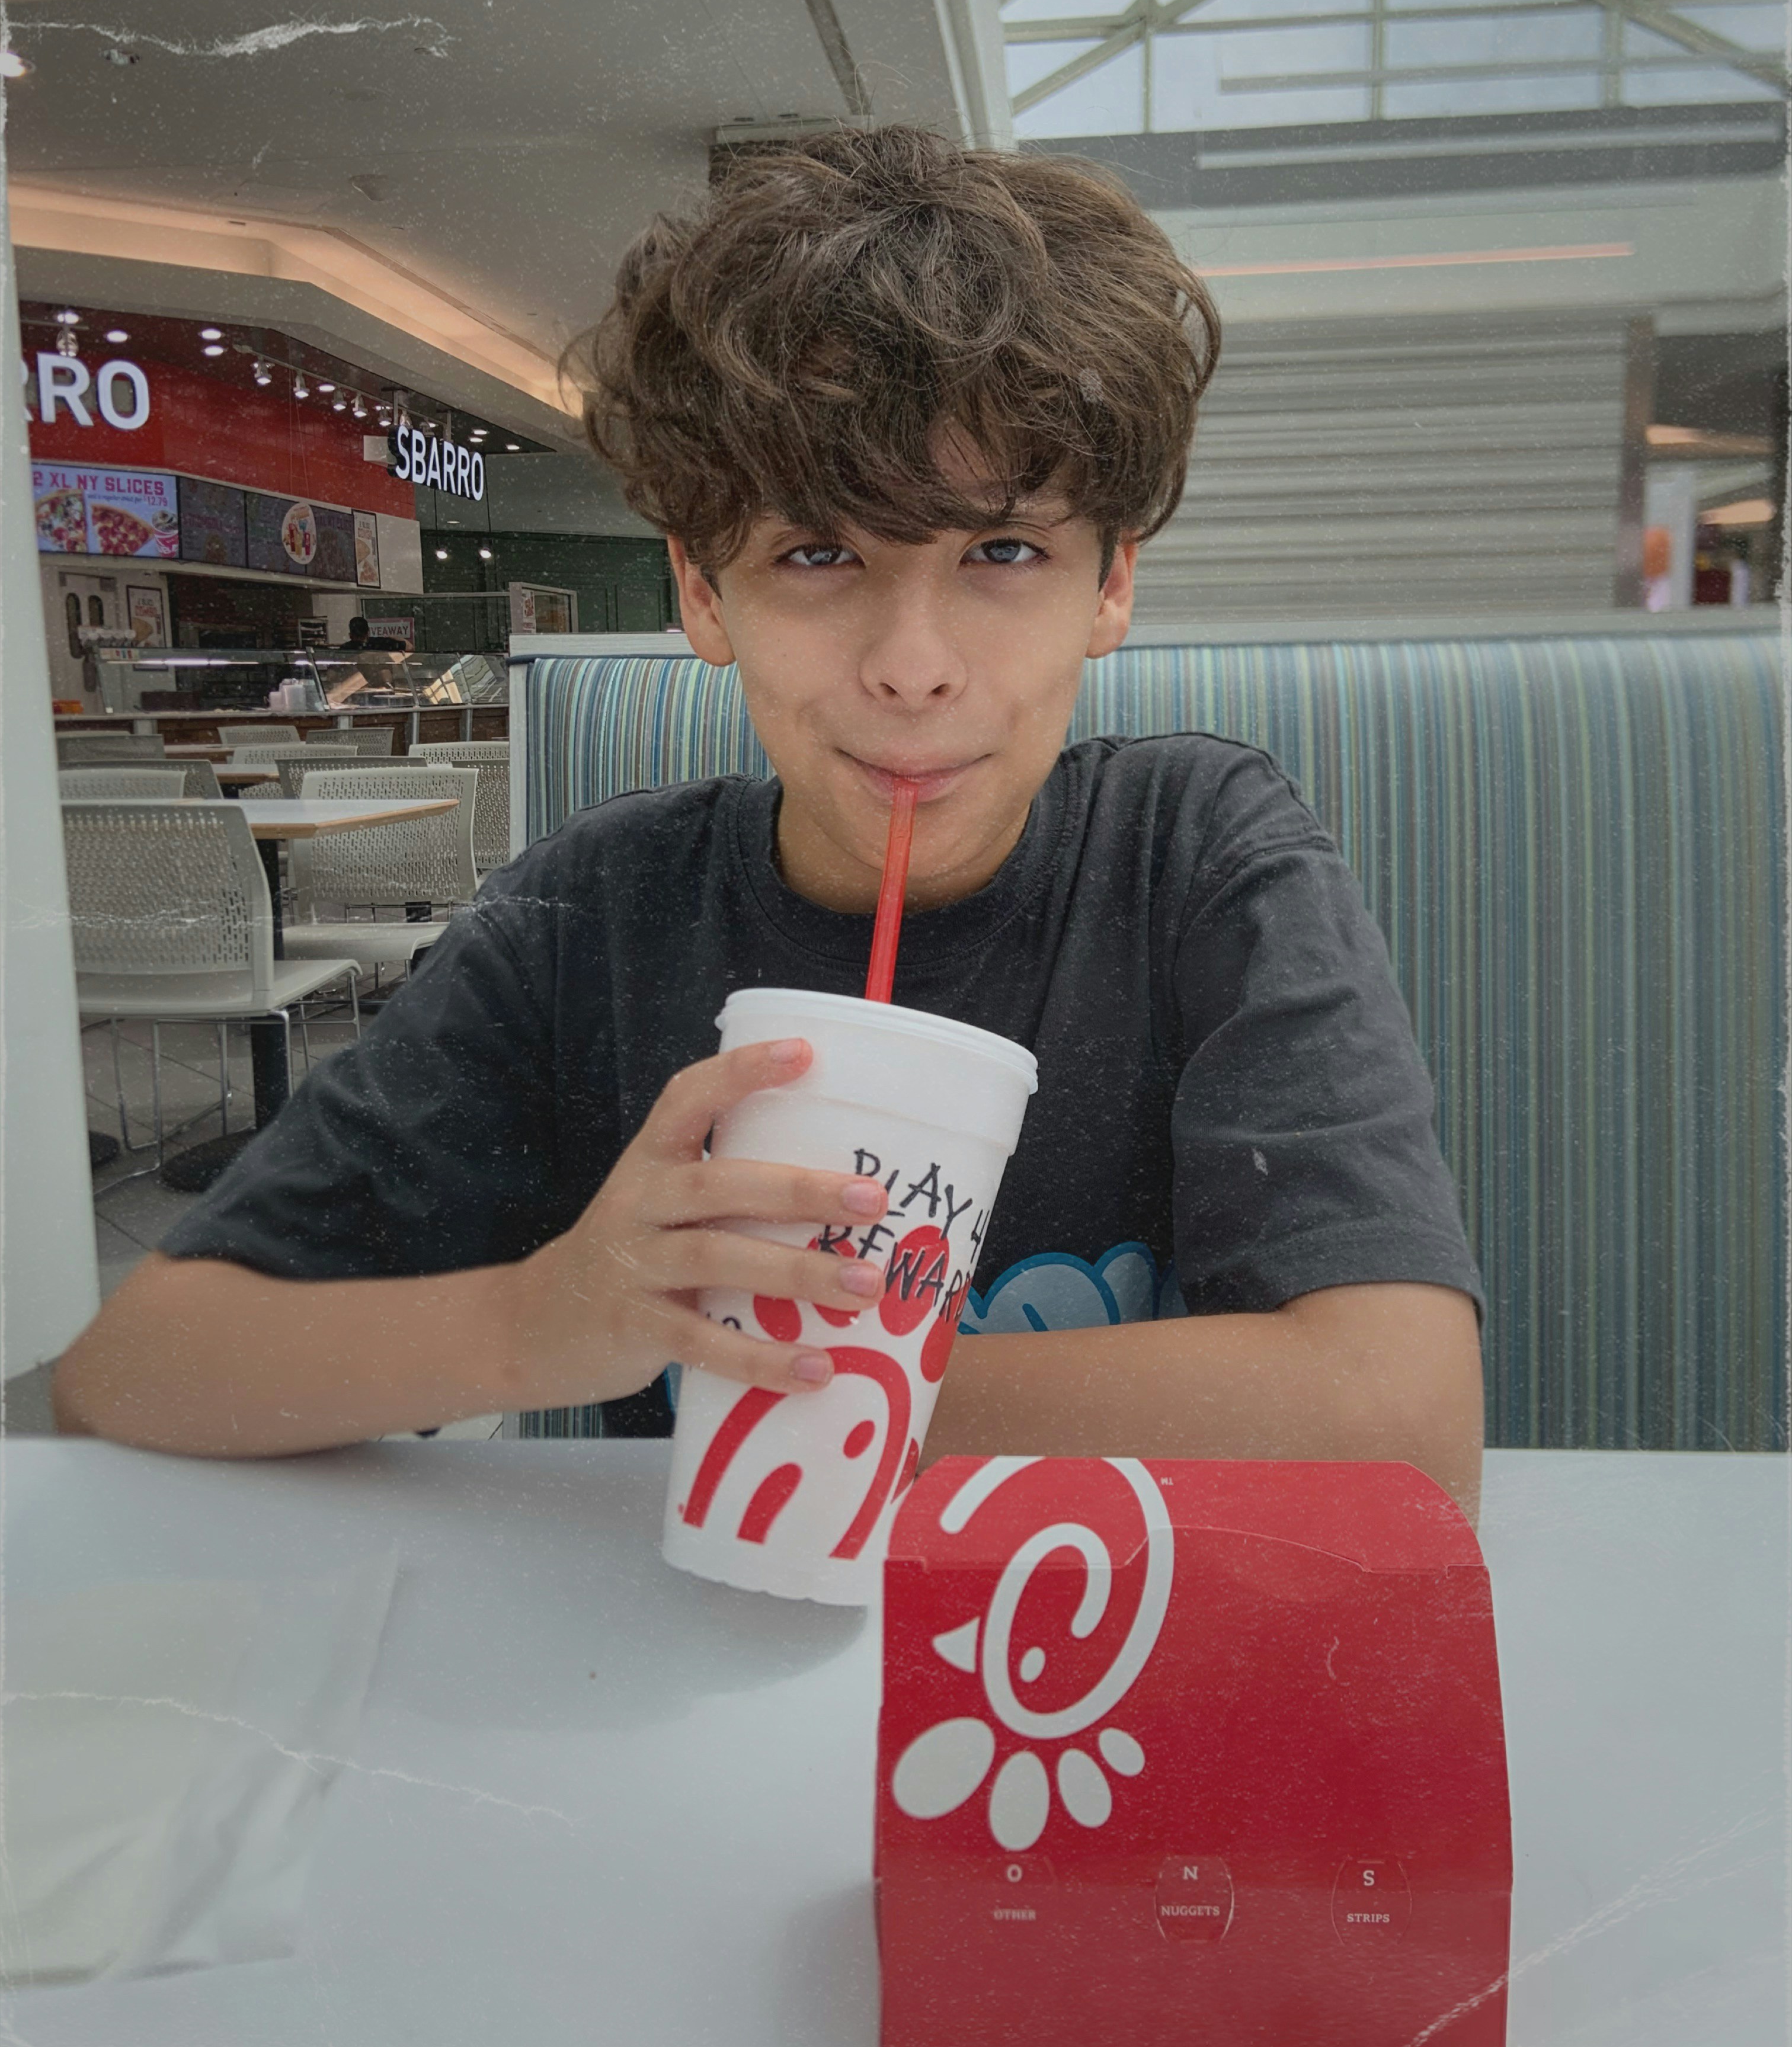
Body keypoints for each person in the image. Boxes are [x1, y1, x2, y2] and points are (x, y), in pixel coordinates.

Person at [55, 127, 1486, 1522]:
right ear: (701, 590)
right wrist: (544, 1322)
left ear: (1110, 583)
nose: (913, 665)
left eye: (1003, 549)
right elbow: (133, 1373)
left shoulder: (1194, 857)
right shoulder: (598, 919)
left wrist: (803, 1384)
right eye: (816, 552)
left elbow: (1404, 1419)